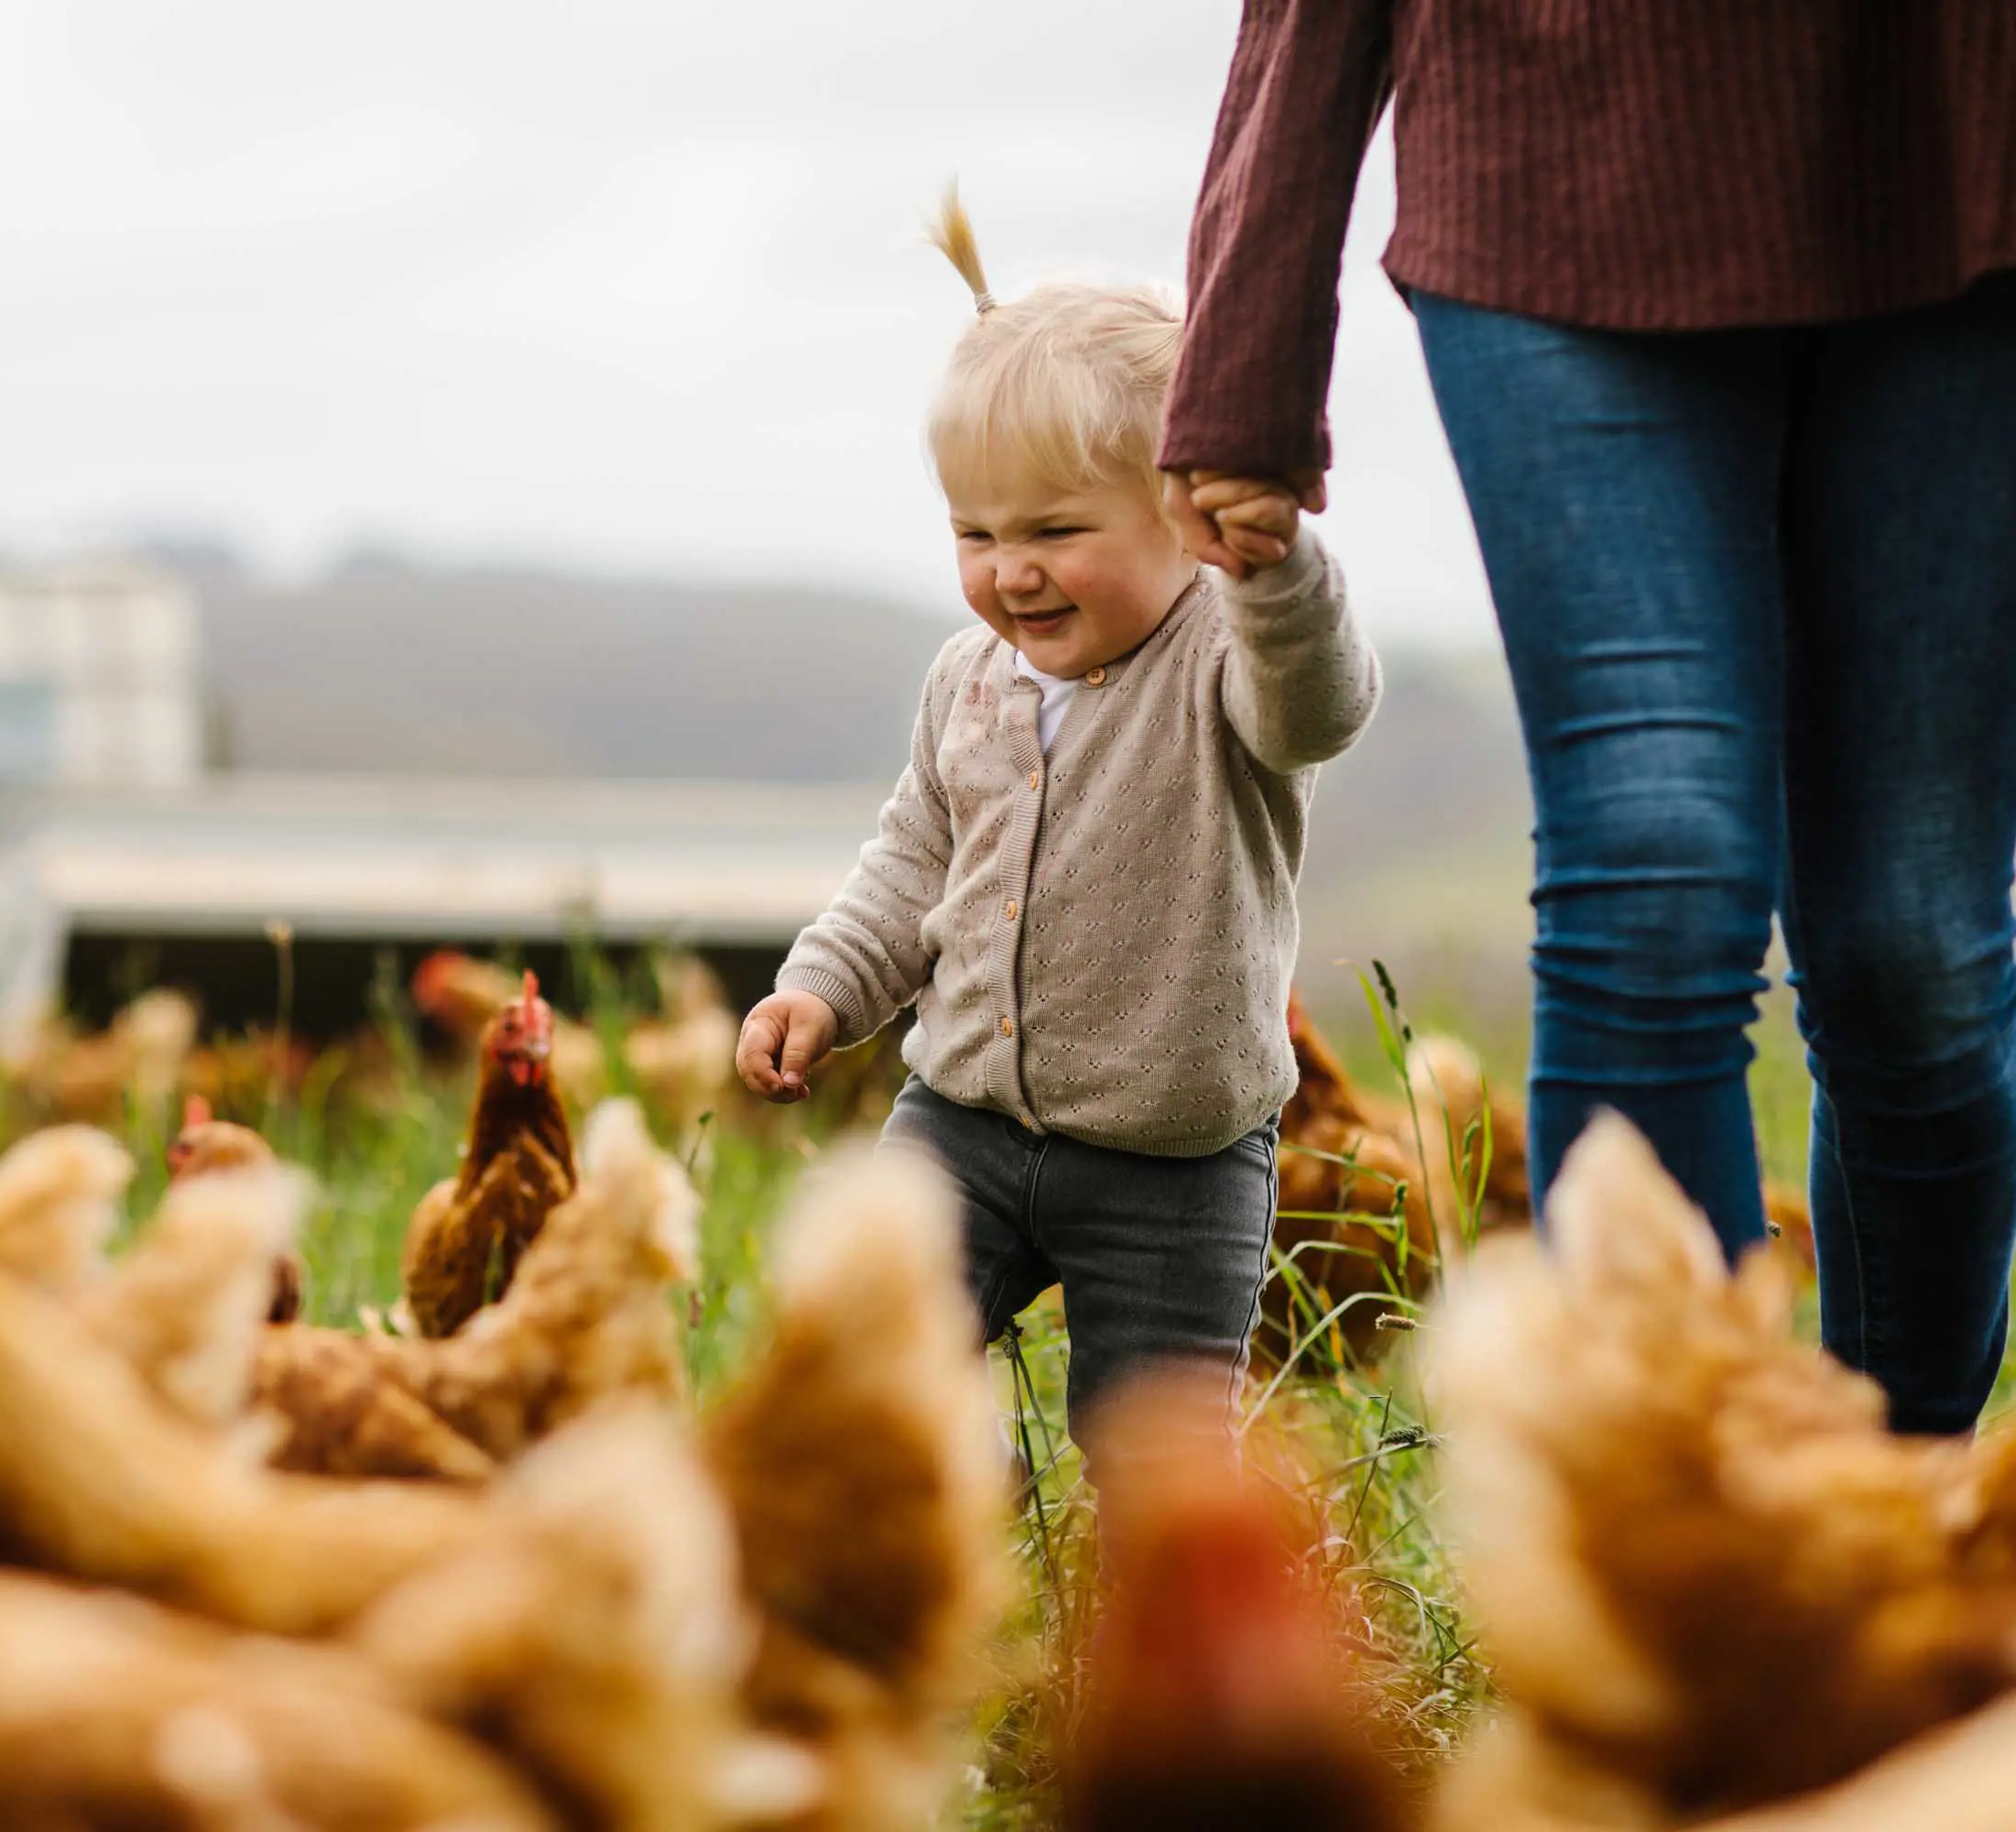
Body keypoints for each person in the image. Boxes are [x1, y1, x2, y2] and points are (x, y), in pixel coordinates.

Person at [1156, 5, 2016, 1433]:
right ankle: (1695, 1552)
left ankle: (1897, 1533)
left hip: (1959, 159)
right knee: (1658, 873)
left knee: (1912, 951)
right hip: (1558, 155)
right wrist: (1249, 327)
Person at [735, 192, 1380, 1430]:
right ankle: (908, 1560)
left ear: (1183, 523)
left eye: (1055, 530)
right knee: (857, 1387)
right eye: (973, 533)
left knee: (1162, 1466)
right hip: (960, 1127)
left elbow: (1319, 708)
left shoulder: (1222, 663)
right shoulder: (964, 680)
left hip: (1174, 1165)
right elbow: (910, 864)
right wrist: (821, 987)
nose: (1007, 570)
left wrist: (1278, 571)